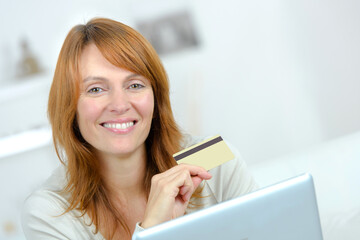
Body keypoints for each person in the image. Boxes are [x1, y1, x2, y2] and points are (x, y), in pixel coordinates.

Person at [21, 17, 257, 240]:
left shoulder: (214, 157)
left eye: (135, 85)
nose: (120, 105)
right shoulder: (48, 210)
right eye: (96, 89)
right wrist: (153, 228)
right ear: (69, 107)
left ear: (156, 97)